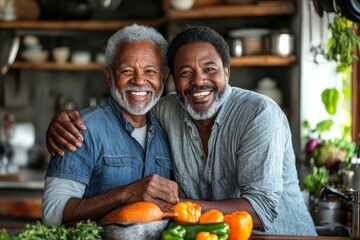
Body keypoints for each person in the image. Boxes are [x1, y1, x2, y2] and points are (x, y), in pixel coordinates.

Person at [46, 25, 317, 235]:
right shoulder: (162, 111)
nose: (198, 81)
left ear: (227, 71)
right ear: (173, 79)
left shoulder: (258, 114)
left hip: (282, 236)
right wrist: (62, 121)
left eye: (209, 69)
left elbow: (261, 210)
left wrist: (171, 207)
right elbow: (133, 101)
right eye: (186, 72)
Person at [42, 24, 179, 226]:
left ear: (163, 77)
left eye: (150, 71)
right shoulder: (80, 128)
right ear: (109, 76)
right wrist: (124, 194)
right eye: (126, 70)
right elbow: (52, 215)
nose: (139, 80)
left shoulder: (169, 128)